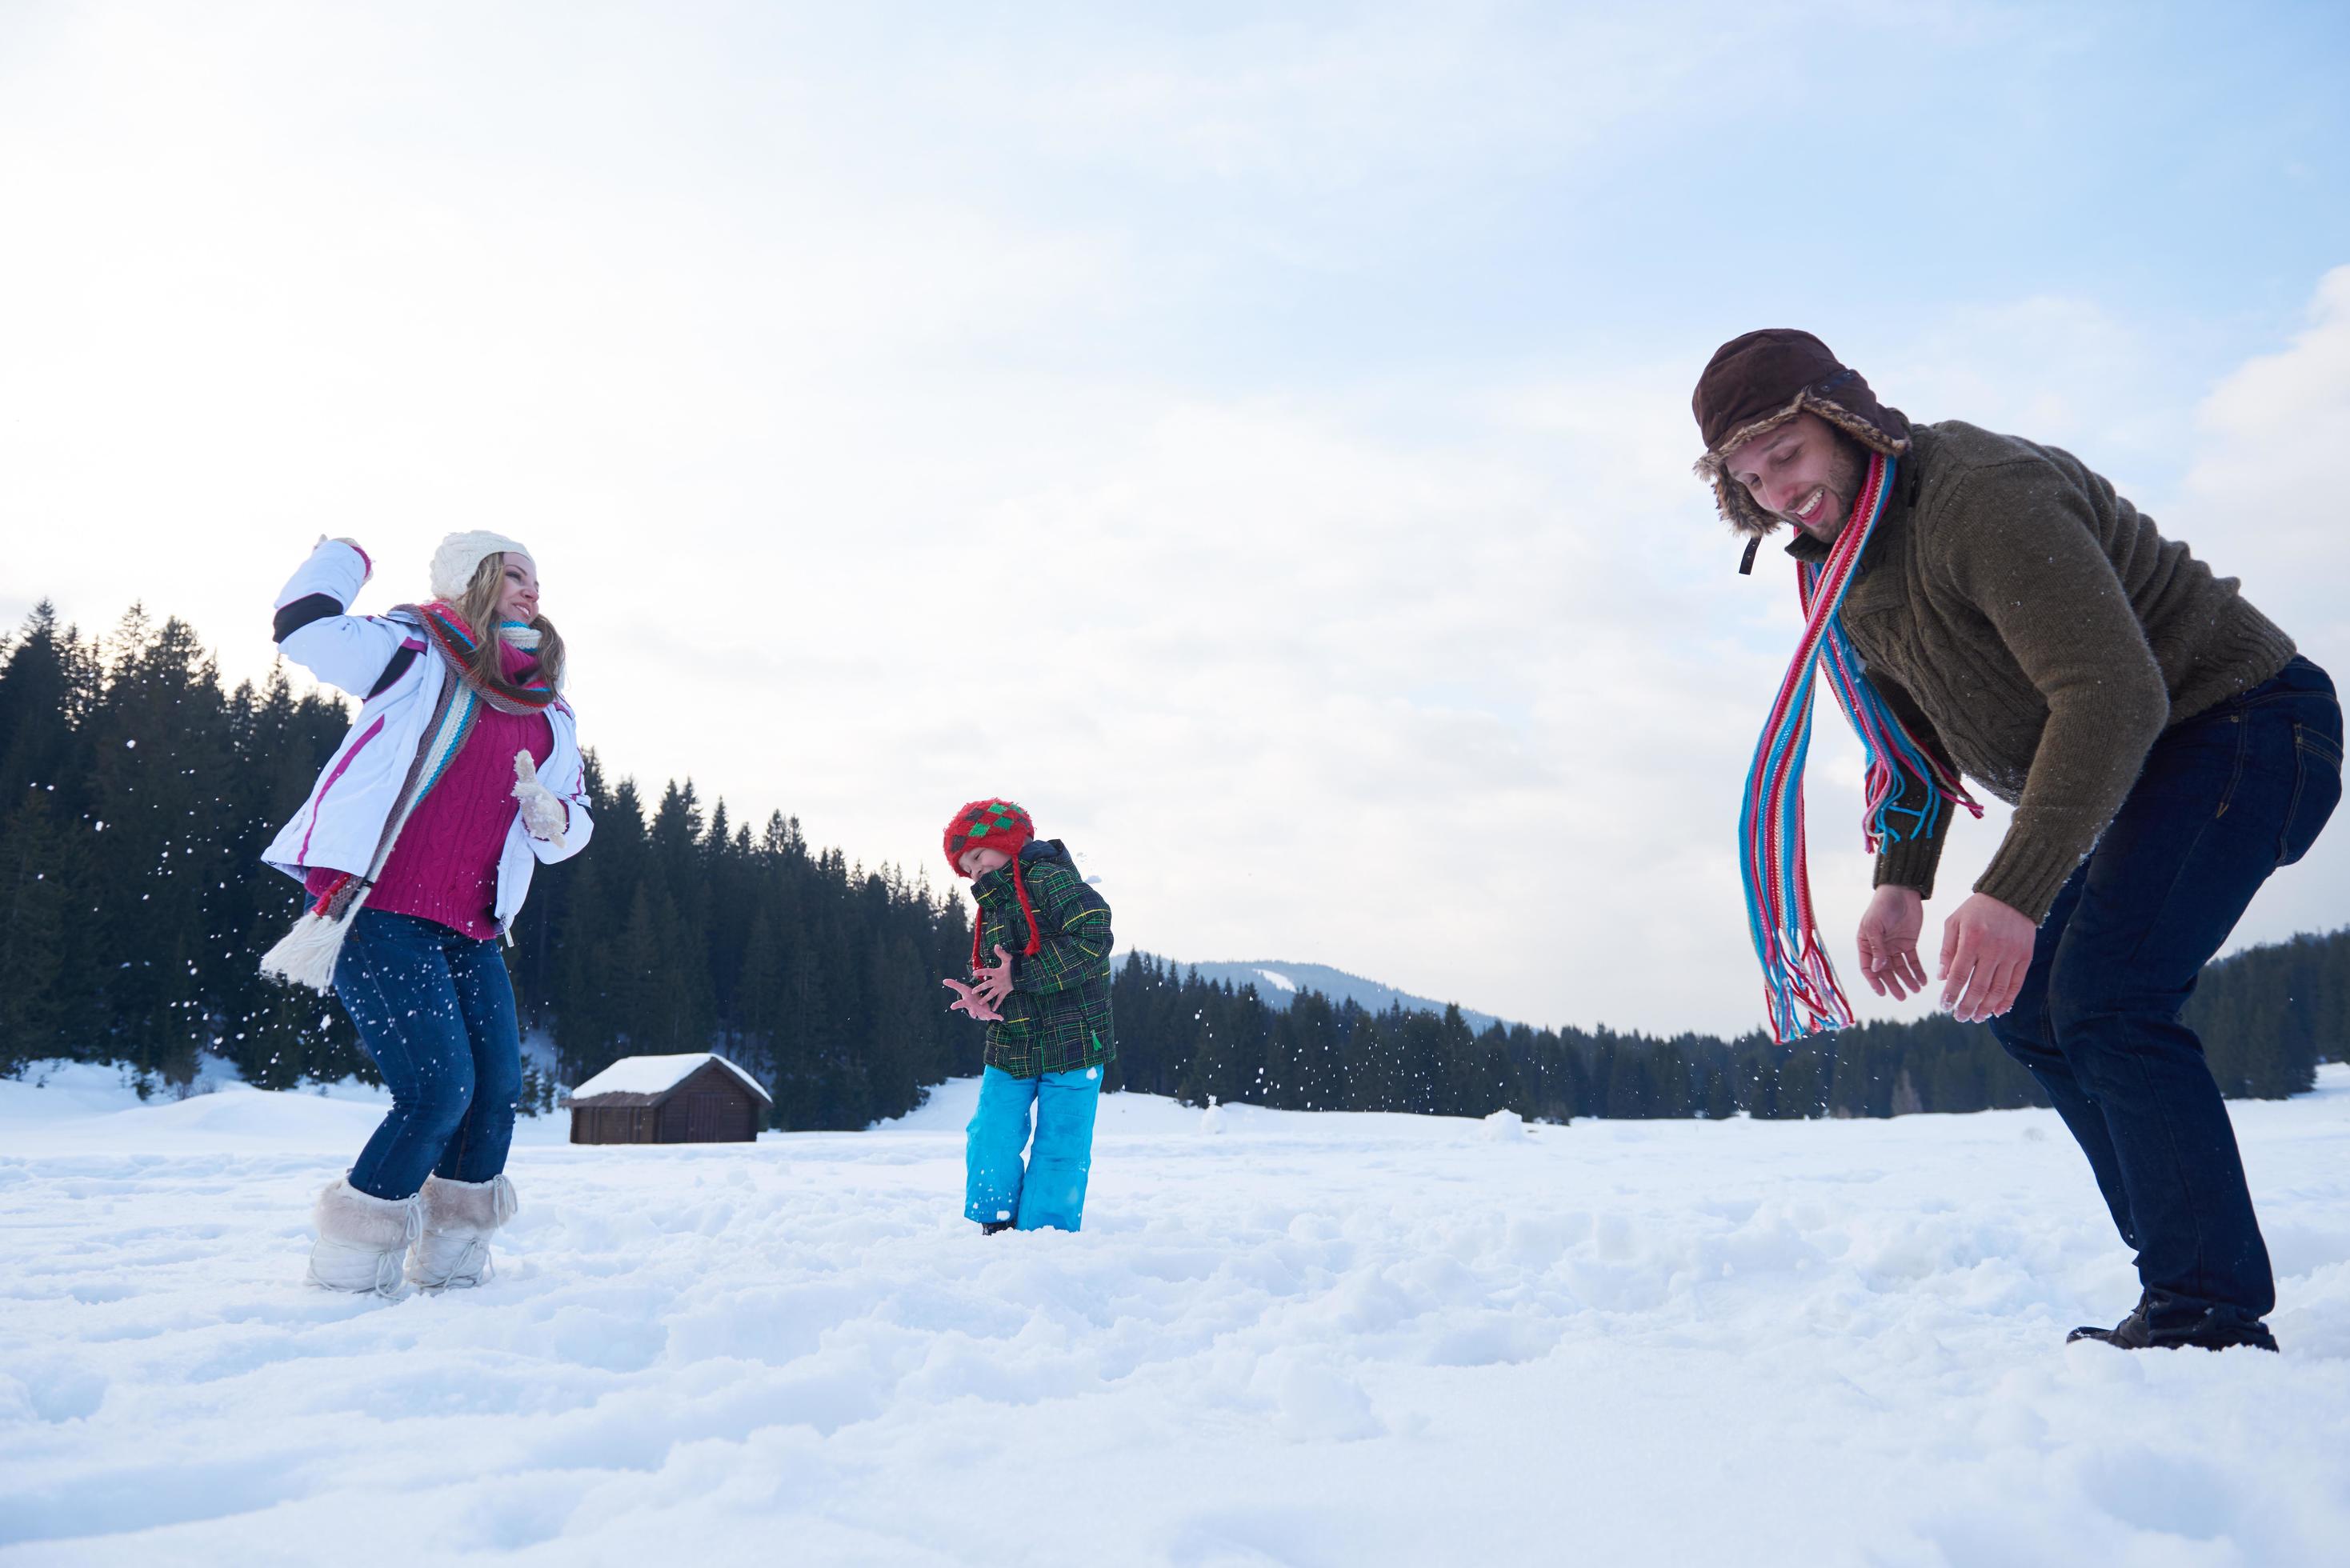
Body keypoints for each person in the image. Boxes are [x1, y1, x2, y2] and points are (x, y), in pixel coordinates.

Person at [1693, 330, 2340, 1351]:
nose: (1779, 488)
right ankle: (2185, 1270)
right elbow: (1911, 748)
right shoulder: (1834, 571)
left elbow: (2114, 694)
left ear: (1845, 418)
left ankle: (2205, 1307)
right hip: (2147, 766)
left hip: (2245, 724)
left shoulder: (1980, 495)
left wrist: (2015, 892)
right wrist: (1901, 883)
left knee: (2106, 994)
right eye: (1750, 475)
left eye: (1790, 452)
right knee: (2038, 1005)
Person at [259, 531, 593, 1296]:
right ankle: (348, 1272)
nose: (531, 590)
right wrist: (343, 557)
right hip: (380, 910)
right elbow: (305, 629)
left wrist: (551, 818)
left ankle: (452, 1266)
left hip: (472, 927)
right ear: (469, 580)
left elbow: (574, 820)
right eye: (512, 574)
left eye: (536, 578)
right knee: (438, 1090)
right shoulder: (414, 650)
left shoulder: (552, 707)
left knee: (497, 1089)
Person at [940, 799, 1115, 1234]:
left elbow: (1095, 934)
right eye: (968, 868)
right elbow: (999, 972)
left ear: (1008, 840)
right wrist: (984, 999)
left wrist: (1019, 974)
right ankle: (994, 1222)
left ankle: (1045, 1235)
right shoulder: (991, 905)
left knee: (1061, 1148)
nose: (976, 872)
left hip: (1076, 1041)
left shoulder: (1049, 877)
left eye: (979, 856)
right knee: (990, 1136)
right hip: (1011, 1042)